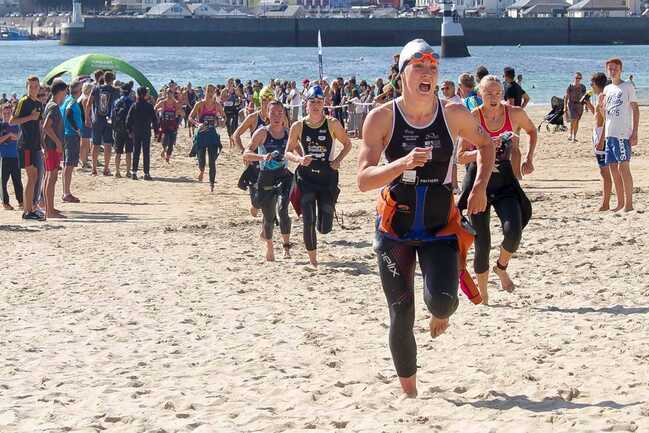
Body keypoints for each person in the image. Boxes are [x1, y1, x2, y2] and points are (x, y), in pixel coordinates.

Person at [357, 39, 495, 398]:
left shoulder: (453, 114)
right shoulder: (382, 117)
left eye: (433, 68)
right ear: (402, 74)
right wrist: (401, 164)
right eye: (419, 67)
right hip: (395, 232)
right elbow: (362, 179)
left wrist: (479, 186)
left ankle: (441, 311)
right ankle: (411, 394)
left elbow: (487, 143)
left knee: (443, 301)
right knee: (401, 313)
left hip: (439, 228)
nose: (428, 73)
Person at [458, 75, 536, 305]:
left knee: (514, 232)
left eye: (497, 93)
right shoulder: (473, 117)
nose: (493, 97)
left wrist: (529, 158)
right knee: (482, 243)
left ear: (502, 94)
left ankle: (501, 267)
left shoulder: (514, 113)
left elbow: (532, 131)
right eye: (488, 93)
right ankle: (484, 295)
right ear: (480, 94)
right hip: (478, 181)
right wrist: (484, 149)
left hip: (504, 182)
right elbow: (461, 157)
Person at [285, 84, 352, 267]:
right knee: (308, 220)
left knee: (324, 227)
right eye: (312, 101)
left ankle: (322, 227)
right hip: (306, 178)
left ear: (324, 103)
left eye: (319, 101)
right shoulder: (298, 126)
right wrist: (299, 158)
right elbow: (288, 151)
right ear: (306, 104)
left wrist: (338, 160)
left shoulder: (332, 123)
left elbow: (347, 144)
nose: (316, 105)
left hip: (327, 178)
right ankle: (313, 260)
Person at [244, 100, 293, 261]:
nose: (277, 116)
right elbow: (246, 153)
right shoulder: (262, 133)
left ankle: (286, 248)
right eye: (273, 113)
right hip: (266, 176)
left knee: (283, 210)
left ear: (284, 115)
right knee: (269, 215)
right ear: (267, 114)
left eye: (280, 113)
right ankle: (270, 246)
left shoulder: (288, 133)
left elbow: (298, 151)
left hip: (284, 175)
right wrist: (262, 156)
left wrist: (301, 159)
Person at [603, 57, 639, 212]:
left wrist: (635, 132)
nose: (612, 71)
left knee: (624, 167)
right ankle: (620, 203)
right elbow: (606, 114)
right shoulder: (607, 89)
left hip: (622, 134)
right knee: (613, 168)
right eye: (610, 69)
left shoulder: (627, 87)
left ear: (620, 70)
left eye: (615, 69)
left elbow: (635, 109)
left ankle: (629, 204)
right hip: (609, 134)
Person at [11, 75, 44, 221]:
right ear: (26, 87)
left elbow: (39, 125)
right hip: (24, 145)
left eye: (36, 86)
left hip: (35, 145)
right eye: (31, 86)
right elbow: (12, 121)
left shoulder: (39, 103)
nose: (33, 89)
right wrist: (30, 117)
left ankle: (30, 209)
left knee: (35, 176)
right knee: (32, 175)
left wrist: (42, 144)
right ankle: (27, 210)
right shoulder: (23, 101)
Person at [189, 84, 224, 192]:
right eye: (208, 91)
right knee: (201, 158)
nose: (209, 93)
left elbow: (223, 116)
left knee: (212, 161)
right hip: (202, 134)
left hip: (212, 134)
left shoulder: (217, 105)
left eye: (212, 91)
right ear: (205, 91)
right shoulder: (200, 104)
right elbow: (190, 117)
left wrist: (221, 120)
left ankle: (212, 184)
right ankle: (202, 170)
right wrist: (197, 124)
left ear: (214, 93)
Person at [42, 80, 68, 219]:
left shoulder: (51, 105)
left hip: (51, 147)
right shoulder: (53, 107)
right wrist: (58, 143)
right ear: (61, 92)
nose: (65, 96)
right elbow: (46, 126)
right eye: (65, 93)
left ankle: (50, 208)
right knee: (51, 177)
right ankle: (49, 211)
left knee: (50, 177)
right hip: (52, 147)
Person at [587, 72, 612, 211]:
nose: (591, 87)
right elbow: (597, 116)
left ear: (597, 84)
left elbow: (607, 121)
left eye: (592, 84)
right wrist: (588, 103)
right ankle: (605, 203)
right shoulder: (599, 98)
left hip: (601, 136)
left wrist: (601, 139)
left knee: (605, 172)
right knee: (603, 171)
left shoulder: (604, 98)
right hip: (598, 135)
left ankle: (605, 204)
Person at [87, 71, 120, 176]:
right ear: (112, 79)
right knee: (107, 144)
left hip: (97, 119)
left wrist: (87, 118)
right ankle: (106, 168)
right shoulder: (115, 90)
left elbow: (88, 104)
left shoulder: (96, 89)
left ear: (103, 78)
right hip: (108, 120)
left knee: (95, 144)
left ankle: (94, 168)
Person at [126, 87, 159, 181]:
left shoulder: (134, 105)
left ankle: (134, 172)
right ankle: (146, 173)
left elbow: (128, 120)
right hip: (146, 131)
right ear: (144, 95)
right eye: (147, 94)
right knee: (146, 152)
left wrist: (129, 130)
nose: (148, 95)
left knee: (136, 151)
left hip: (136, 131)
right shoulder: (149, 106)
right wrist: (156, 132)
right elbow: (155, 120)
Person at [503, 67, 529, 179]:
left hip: (511, 119)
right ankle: (517, 174)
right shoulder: (518, 86)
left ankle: (515, 173)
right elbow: (527, 98)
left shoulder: (509, 88)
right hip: (518, 118)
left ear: (506, 76)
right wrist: (521, 109)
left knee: (512, 147)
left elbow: (510, 104)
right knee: (516, 146)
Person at [60, 78, 84, 203]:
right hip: (70, 135)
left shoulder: (65, 100)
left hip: (66, 134)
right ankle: (66, 192)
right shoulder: (72, 102)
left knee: (66, 164)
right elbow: (69, 114)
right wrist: (77, 129)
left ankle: (66, 191)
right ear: (78, 90)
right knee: (69, 164)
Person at [0, 103, 23, 210]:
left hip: (15, 156)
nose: (6, 115)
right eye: (4, 113)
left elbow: (20, 138)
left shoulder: (16, 125)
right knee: (3, 181)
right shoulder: (1, 125)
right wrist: (9, 136)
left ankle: (21, 201)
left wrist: (11, 137)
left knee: (17, 180)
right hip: (3, 157)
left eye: (8, 113)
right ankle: (5, 202)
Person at [111, 81, 135, 178]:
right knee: (128, 152)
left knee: (118, 152)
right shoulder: (131, 102)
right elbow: (134, 117)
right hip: (128, 130)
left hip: (118, 129)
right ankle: (128, 171)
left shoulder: (116, 102)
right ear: (129, 92)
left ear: (121, 91)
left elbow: (112, 116)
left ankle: (117, 171)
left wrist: (114, 128)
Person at [154, 87, 184, 162]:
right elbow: (155, 108)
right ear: (166, 94)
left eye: (170, 93)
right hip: (165, 124)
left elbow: (182, 113)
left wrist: (179, 118)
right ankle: (164, 149)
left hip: (173, 125)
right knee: (165, 139)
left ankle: (167, 157)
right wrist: (159, 112)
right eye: (168, 93)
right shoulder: (163, 102)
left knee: (171, 143)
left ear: (173, 94)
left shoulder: (175, 103)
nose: (169, 95)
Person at [564, 72, 587, 142]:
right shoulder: (570, 86)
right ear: (574, 78)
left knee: (577, 121)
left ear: (581, 79)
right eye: (576, 78)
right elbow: (566, 97)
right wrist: (564, 107)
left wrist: (586, 106)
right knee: (573, 119)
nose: (578, 79)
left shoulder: (583, 87)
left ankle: (574, 136)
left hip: (580, 105)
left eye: (579, 78)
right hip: (571, 105)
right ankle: (571, 135)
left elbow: (585, 97)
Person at [222, 79, 240, 150]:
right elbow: (222, 100)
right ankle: (230, 140)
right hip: (226, 109)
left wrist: (238, 100)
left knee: (234, 124)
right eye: (229, 83)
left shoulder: (235, 90)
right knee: (228, 126)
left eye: (232, 83)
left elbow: (240, 97)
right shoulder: (224, 91)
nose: (230, 84)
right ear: (227, 83)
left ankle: (233, 139)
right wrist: (228, 96)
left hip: (234, 109)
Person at [78, 82, 93, 169]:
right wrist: (89, 120)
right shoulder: (86, 99)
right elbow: (86, 112)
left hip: (81, 121)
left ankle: (83, 160)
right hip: (85, 122)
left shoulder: (80, 98)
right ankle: (84, 161)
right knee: (85, 143)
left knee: (83, 143)